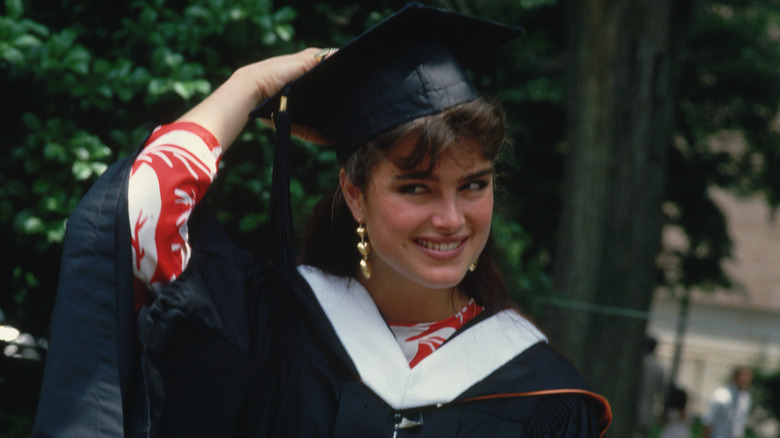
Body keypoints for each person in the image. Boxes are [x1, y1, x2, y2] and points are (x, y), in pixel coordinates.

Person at [33, 3, 611, 437]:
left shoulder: (545, 396)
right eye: (416, 187)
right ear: (355, 195)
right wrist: (248, 85)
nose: (451, 218)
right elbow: (141, 207)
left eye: (474, 185)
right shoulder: (275, 321)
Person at [701, 366, 754, 438]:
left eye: (748, 376)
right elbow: (708, 421)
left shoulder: (746, 398)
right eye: (743, 376)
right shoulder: (721, 395)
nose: (745, 379)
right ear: (735, 377)